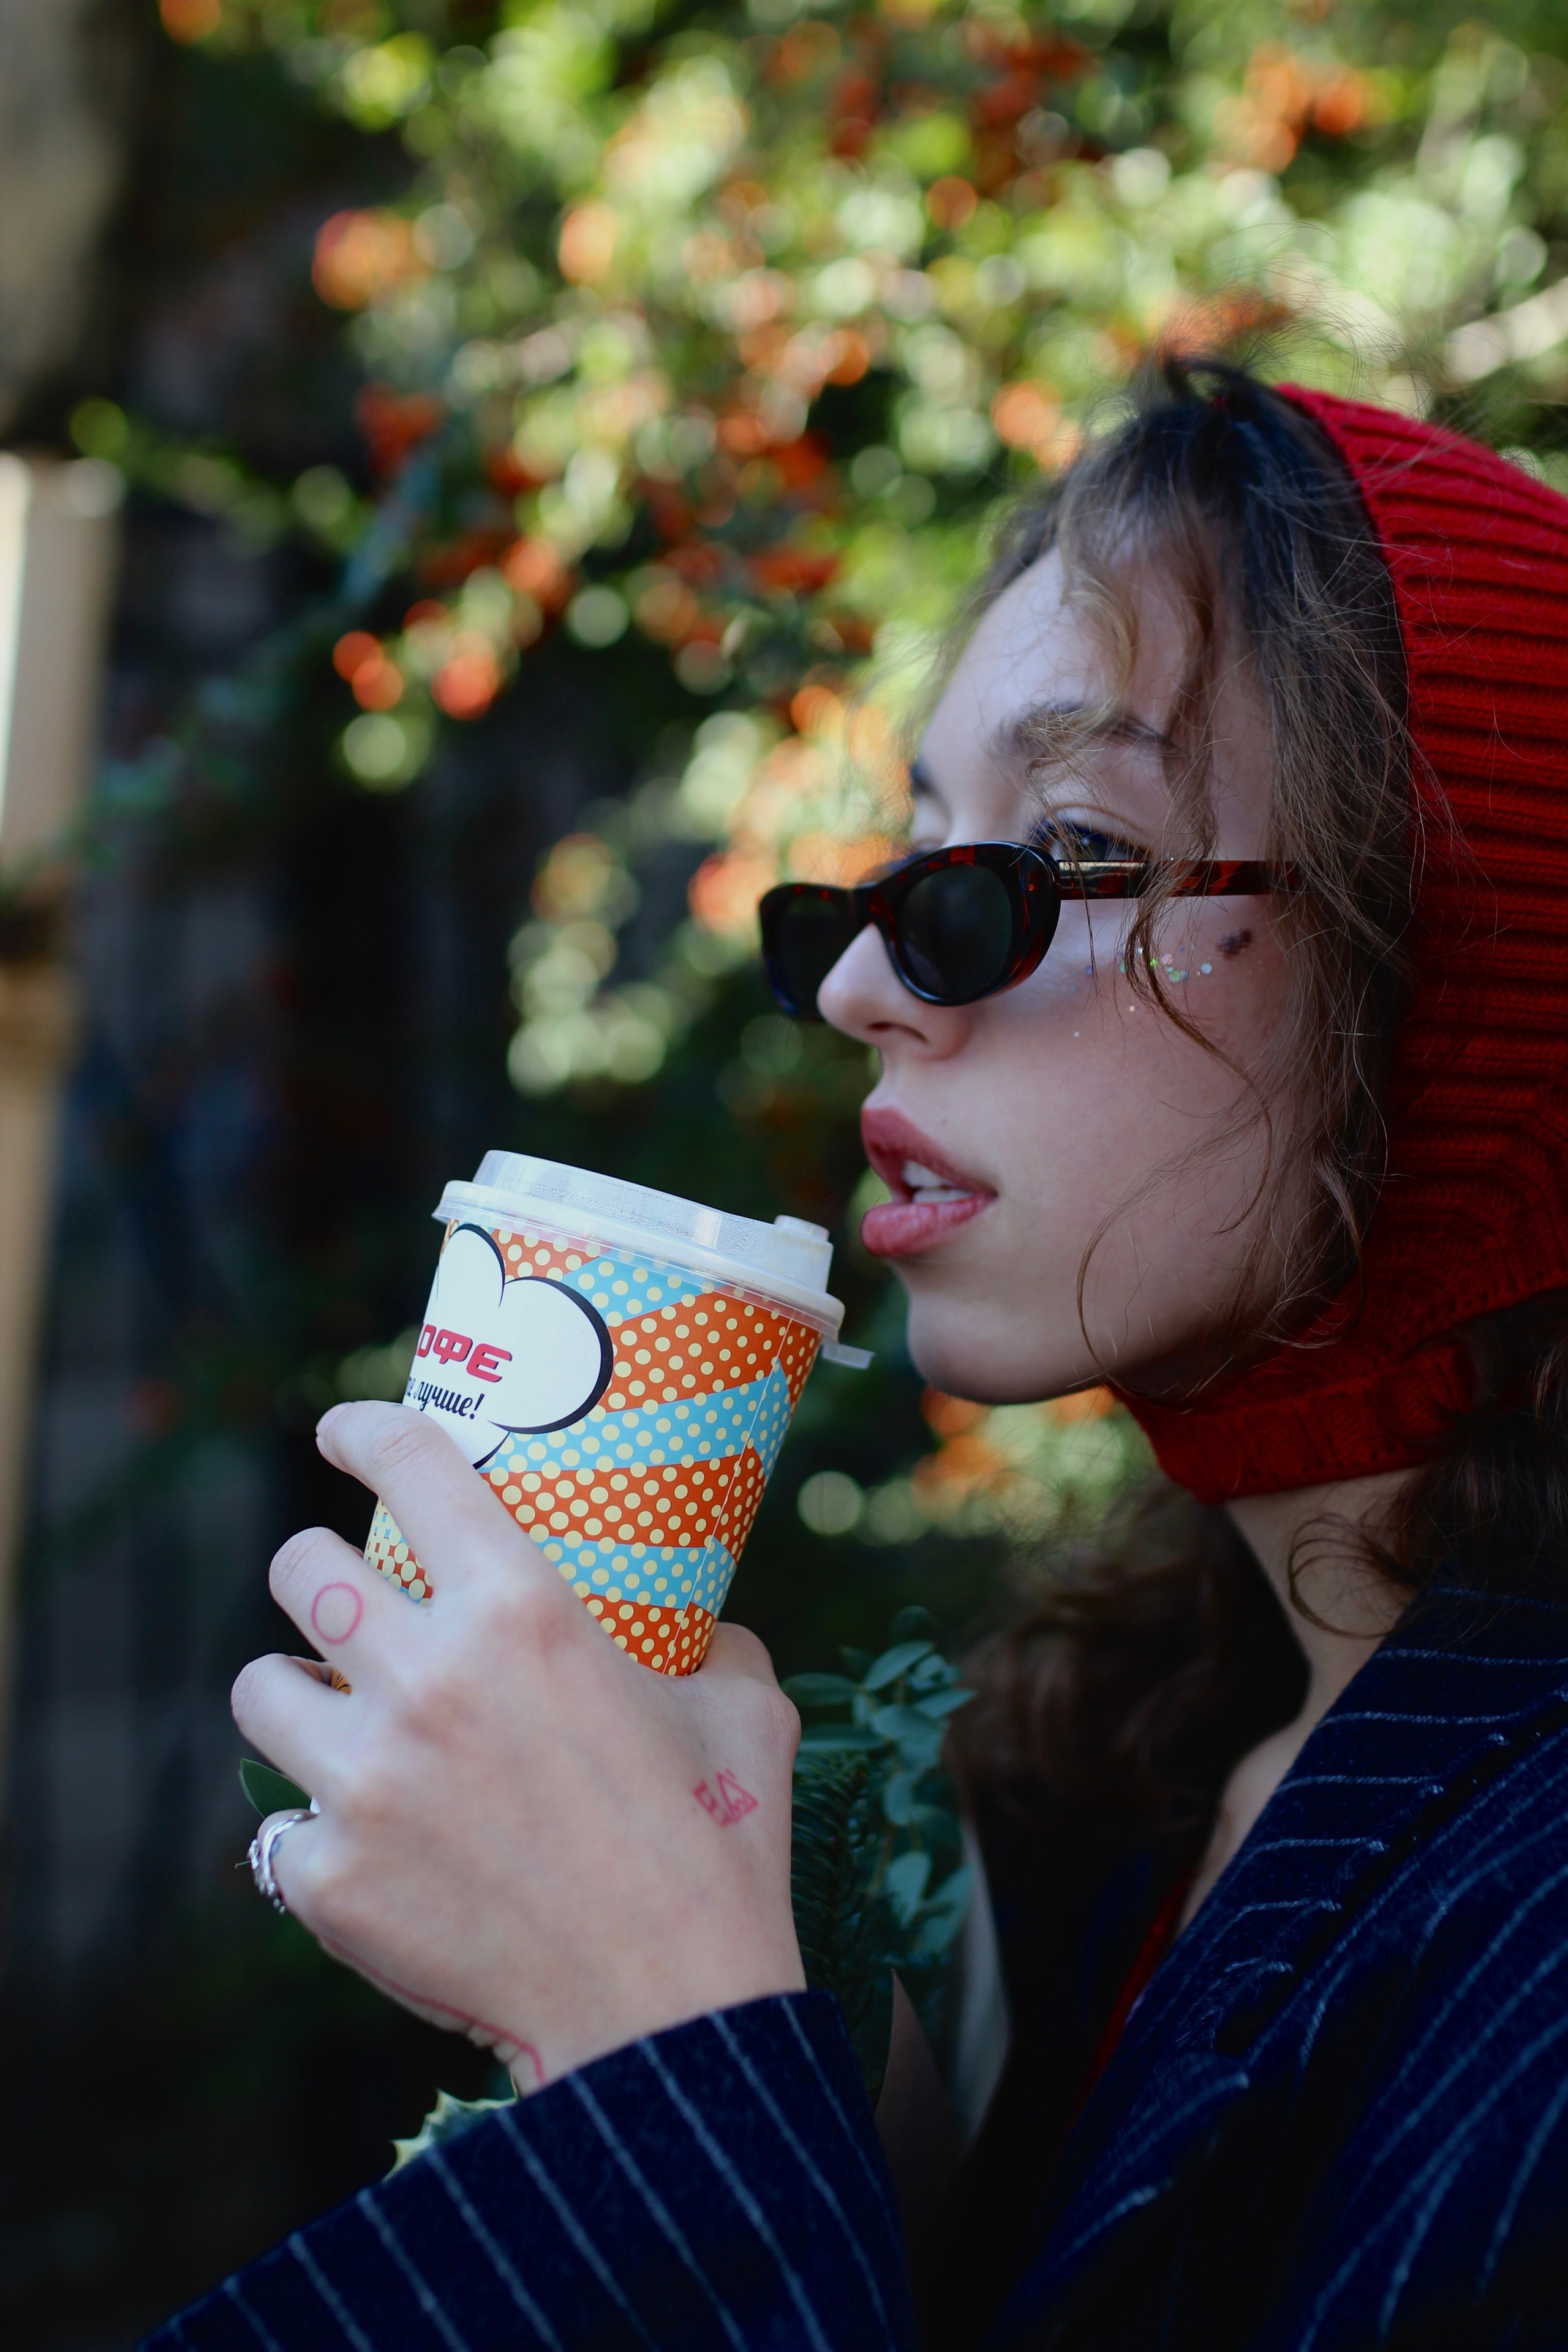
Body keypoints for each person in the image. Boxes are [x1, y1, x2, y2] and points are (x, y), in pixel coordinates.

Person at [147, 363, 1568, 2351]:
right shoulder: (1138, 1791)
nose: (853, 980)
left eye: (1056, 851)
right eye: (904, 851)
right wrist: (846, 2101)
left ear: (1474, 950)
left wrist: (652, 2035)